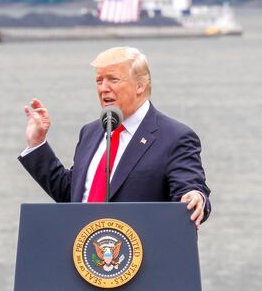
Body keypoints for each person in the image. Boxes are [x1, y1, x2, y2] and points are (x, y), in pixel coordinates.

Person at [18, 46, 211, 228]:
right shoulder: (90, 132)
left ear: (140, 86)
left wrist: (194, 196)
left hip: (139, 257)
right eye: (99, 81)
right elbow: (74, 194)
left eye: (113, 79)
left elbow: (189, 186)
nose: (103, 88)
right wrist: (37, 144)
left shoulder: (174, 137)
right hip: (83, 255)